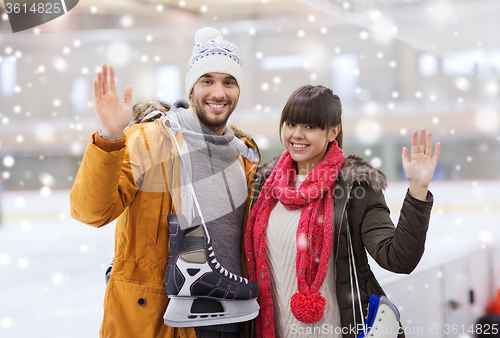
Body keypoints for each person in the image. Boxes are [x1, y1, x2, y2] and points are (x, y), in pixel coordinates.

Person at [70, 27, 260, 338]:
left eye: (229, 82)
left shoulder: (243, 155)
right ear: (191, 89)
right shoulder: (151, 140)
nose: (218, 93)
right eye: (207, 81)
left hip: (235, 319)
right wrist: (109, 138)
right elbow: (91, 211)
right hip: (162, 322)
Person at [245, 85, 441, 338]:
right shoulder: (264, 186)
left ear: (332, 132)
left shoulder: (355, 187)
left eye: (310, 127)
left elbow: (398, 259)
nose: (297, 134)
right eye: (291, 124)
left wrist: (418, 190)